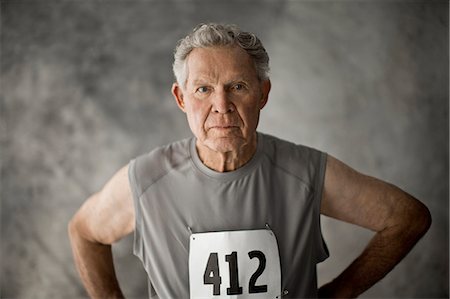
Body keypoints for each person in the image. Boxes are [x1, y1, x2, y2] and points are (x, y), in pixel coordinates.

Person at [68, 23, 431, 299]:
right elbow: (84, 232)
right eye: (203, 89)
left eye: (237, 86)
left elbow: (407, 218)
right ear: (181, 98)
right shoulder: (146, 180)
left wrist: (336, 295)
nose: (221, 106)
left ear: (263, 94)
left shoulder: (305, 172)